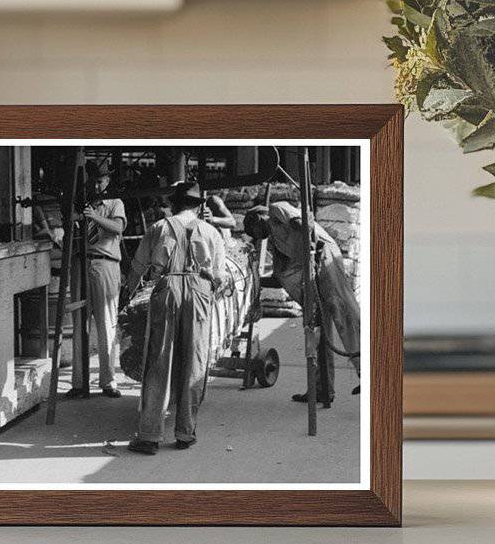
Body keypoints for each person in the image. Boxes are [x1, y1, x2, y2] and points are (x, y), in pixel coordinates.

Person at [126, 181, 226, 454]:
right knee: (193, 362)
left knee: (159, 360)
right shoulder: (211, 232)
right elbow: (220, 275)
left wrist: (127, 294)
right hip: (200, 292)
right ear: (198, 206)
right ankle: (185, 432)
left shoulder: (159, 227)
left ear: (173, 204)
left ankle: (149, 435)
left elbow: (137, 267)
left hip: (167, 289)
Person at [244, 201, 360, 402]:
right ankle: (321, 389)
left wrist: (309, 251)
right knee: (315, 332)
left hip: (323, 257)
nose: (257, 237)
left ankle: (367, 371)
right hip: (310, 271)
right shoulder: (274, 241)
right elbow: (280, 276)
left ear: (257, 219)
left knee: (341, 312)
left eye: (254, 231)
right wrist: (255, 280)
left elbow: (301, 224)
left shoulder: (276, 210)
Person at [67, 158, 127, 399]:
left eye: (100, 181)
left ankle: (108, 381)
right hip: (81, 262)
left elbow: (118, 228)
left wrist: (93, 217)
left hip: (105, 264)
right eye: (92, 182)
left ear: (108, 180)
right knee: (79, 324)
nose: (96, 186)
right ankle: (79, 382)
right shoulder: (81, 203)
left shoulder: (114, 202)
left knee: (106, 324)